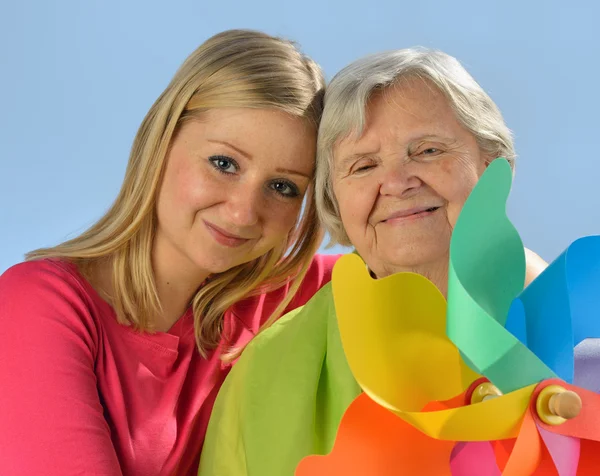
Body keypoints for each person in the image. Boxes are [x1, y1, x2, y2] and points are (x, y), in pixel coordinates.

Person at [0, 29, 338, 476]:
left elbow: (431, 265)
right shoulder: (39, 305)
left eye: (282, 187)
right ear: (162, 141)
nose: (242, 213)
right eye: (224, 163)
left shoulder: (281, 298)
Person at [198, 47, 549, 475]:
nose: (398, 183)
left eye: (428, 150)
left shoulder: (578, 330)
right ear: (333, 201)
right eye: (363, 166)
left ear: (493, 166)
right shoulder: (264, 371)